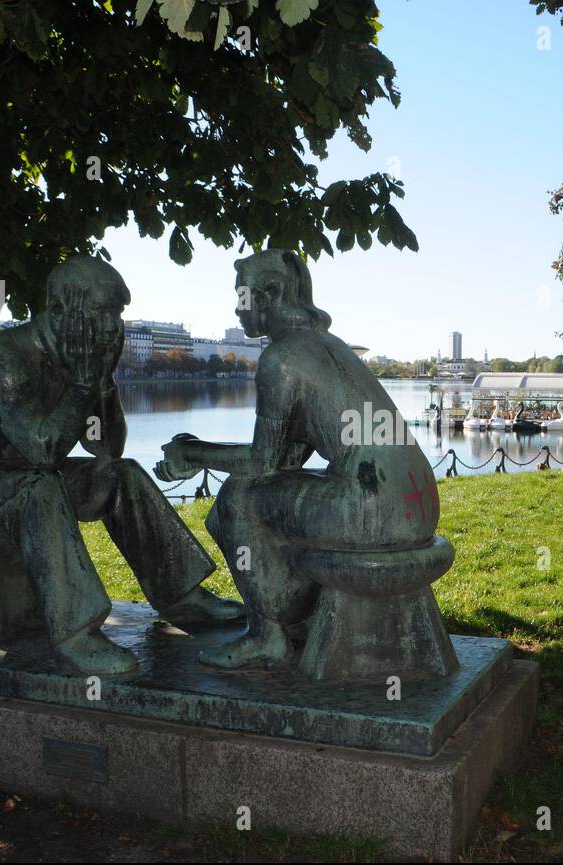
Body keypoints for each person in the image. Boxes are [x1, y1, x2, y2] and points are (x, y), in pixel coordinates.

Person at [0, 256, 242, 675]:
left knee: (121, 475)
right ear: (58, 311)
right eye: (101, 312)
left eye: (118, 313)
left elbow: (108, 447)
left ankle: (180, 594)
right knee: (40, 487)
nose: (112, 326)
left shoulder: (81, 358)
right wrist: (83, 382)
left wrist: (103, 381)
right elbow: (44, 453)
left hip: (23, 475)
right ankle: (77, 632)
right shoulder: (5, 357)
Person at [156, 250, 439, 669]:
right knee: (254, 502)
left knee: (237, 499)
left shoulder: (281, 359)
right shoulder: (329, 346)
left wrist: (192, 453)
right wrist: (203, 450)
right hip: (418, 504)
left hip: (370, 509)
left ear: (269, 295)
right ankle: (295, 613)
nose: (237, 308)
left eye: (243, 297)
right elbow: (287, 455)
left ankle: (266, 633)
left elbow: (262, 464)